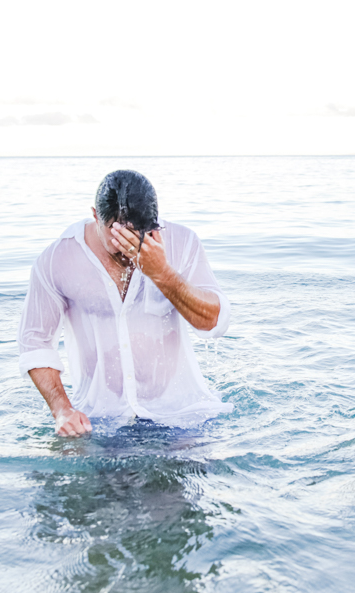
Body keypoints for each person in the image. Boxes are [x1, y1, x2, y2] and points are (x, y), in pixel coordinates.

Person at [18, 170, 231, 435]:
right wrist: (62, 409)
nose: (129, 249)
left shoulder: (183, 242)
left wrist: (162, 273)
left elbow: (214, 324)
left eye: (138, 235)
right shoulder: (57, 259)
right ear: (96, 216)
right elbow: (34, 341)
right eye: (118, 237)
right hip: (101, 422)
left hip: (180, 417)